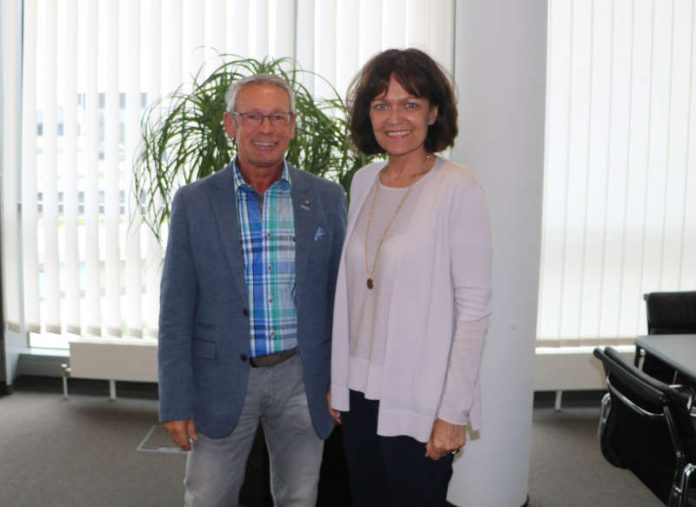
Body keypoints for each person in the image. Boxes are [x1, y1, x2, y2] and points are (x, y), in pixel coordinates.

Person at [158, 73, 347, 506]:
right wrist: (175, 400)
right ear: (230, 124)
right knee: (207, 497)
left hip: (303, 377)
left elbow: (342, 298)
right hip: (221, 378)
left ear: (293, 125)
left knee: (299, 497)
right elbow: (175, 307)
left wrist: (341, 378)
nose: (266, 129)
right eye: (254, 117)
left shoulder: (325, 197)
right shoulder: (195, 201)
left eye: (278, 117)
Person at [329, 48, 493, 506]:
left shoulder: (457, 187)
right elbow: (356, 296)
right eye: (381, 104)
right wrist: (339, 382)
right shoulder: (363, 181)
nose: (394, 117)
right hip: (359, 395)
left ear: (434, 112)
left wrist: (452, 411)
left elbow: (474, 309)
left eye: (410, 103)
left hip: (420, 394)